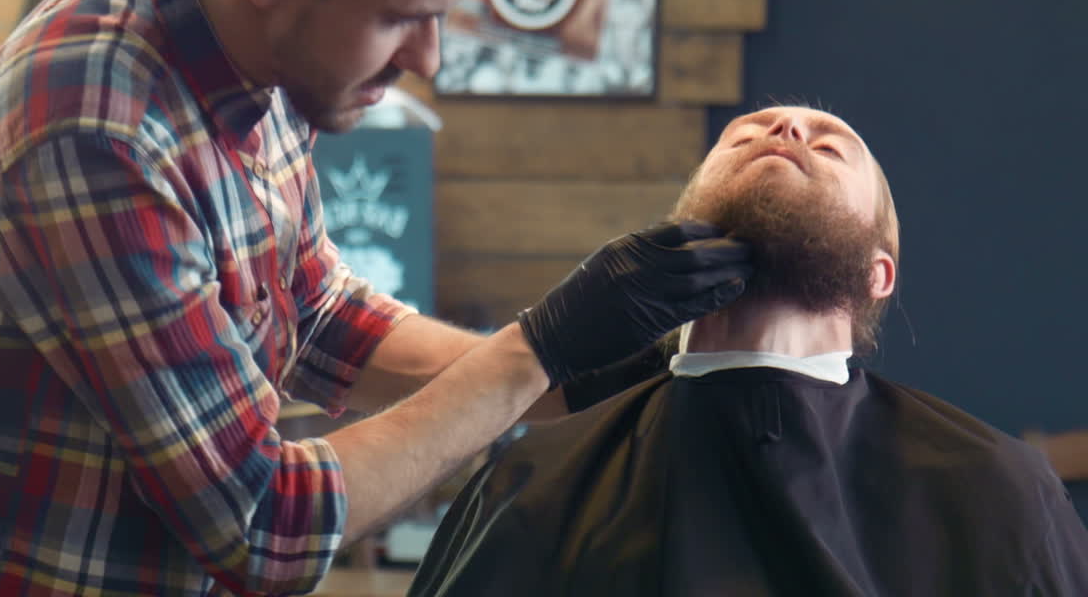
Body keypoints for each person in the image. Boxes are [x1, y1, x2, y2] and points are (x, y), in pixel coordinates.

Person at [0, 0, 753, 596]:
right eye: (401, 18)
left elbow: (317, 310)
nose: (429, 59)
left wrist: (570, 379)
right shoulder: (94, 136)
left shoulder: (250, 58)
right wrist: (537, 349)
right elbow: (263, 528)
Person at [410, 106, 1088, 597]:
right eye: (747, 133)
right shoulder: (533, 479)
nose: (789, 131)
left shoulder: (994, 492)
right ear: (678, 227)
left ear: (879, 274)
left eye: (830, 147)